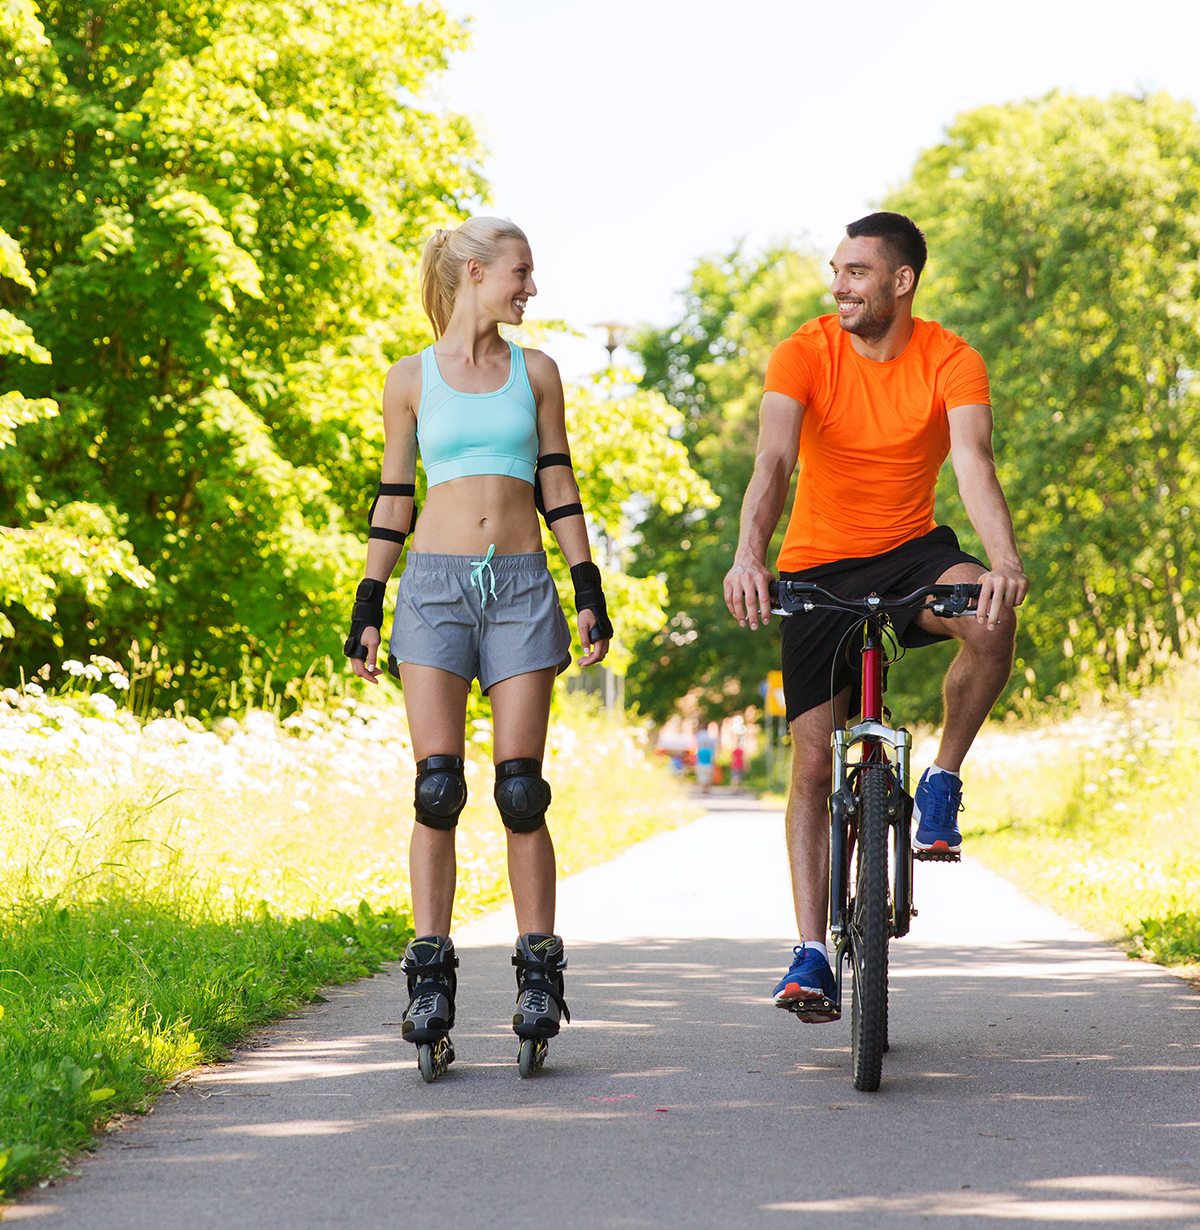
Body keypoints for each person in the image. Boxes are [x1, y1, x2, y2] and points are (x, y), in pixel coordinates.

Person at [722, 212, 1028, 1021]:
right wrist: (750, 554)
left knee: (991, 620)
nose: (839, 285)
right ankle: (813, 952)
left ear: (902, 280)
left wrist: (1005, 563)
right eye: (836, 270)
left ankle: (943, 781)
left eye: (857, 271)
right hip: (816, 564)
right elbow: (774, 460)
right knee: (815, 766)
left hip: (911, 556)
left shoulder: (951, 358)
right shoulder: (805, 350)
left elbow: (973, 461)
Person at [343, 217, 613, 1076]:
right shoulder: (409, 380)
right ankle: (429, 979)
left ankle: (538, 974)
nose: (531, 288)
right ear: (474, 271)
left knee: (522, 791)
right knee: (436, 787)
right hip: (432, 588)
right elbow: (394, 494)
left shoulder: (536, 372)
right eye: (521, 273)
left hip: (524, 588)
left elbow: (557, 480)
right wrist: (368, 599)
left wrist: (588, 585)